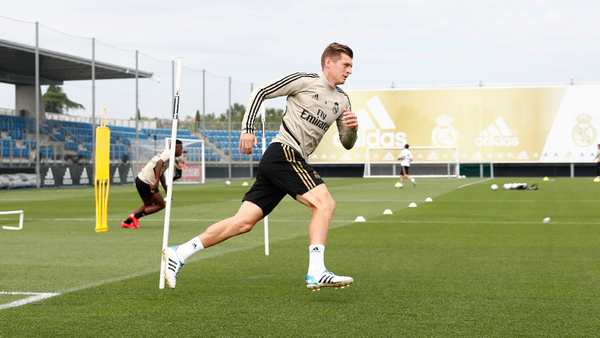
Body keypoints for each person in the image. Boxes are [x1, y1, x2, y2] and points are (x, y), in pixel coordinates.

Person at [163, 42, 359, 291]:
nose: (350, 71)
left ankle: (178, 253)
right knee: (325, 204)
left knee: (243, 223)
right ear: (328, 62)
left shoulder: (343, 100)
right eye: (346, 64)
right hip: (284, 153)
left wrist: (352, 128)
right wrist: (247, 129)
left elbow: (347, 143)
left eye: (352, 66)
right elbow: (260, 92)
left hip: (285, 161)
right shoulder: (304, 81)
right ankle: (316, 271)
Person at [121, 140, 183, 229]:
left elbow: (161, 174)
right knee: (161, 204)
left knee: (148, 205)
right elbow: (159, 163)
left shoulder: (166, 153)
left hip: (140, 179)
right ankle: (136, 216)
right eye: (180, 149)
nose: (181, 151)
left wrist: (167, 190)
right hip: (146, 181)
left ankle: (126, 223)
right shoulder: (169, 154)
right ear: (174, 148)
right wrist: (156, 180)